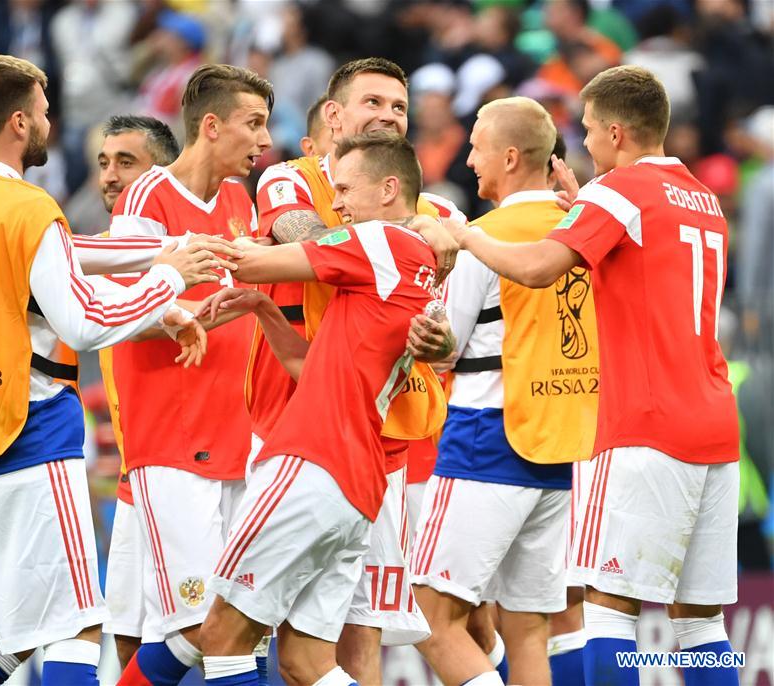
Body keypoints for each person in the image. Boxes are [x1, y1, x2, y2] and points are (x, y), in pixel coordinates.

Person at [0, 53, 229, 686]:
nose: (48, 123)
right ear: (16, 122)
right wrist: (170, 276)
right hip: (24, 443)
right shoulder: (31, 209)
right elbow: (84, 322)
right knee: (75, 629)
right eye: (41, 113)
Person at [437, 65, 740, 686]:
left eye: (593, 131)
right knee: (700, 623)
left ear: (618, 132)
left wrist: (465, 236)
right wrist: (588, 209)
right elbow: (645, 261)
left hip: (641, 427)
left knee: (608, 610)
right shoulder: (701, 197)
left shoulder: (619, 192)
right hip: (713, 425)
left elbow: (541, 267)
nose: (586, 144)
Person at [197, 131, 439, 686]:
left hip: (313, 461)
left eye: (347, 189)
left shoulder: (382, 240)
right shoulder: (407, 266)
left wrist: (178, 254)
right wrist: (263, 310)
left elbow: (257, 262)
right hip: (355, 484)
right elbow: (312, 370)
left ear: (389, 190)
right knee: (305, 662)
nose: (340, 202)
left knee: (221, 635)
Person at [253, 58, 459, 684]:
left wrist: (435, 332)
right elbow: (309, 238)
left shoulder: (434, 207)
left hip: (379, 440)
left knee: (359, 633)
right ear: (333, 115)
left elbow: (445, 340)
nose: (389, 116)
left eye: (399, 107)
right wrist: (408, 232)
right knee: (276, 634)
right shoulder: (290, 178)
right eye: (373, 103)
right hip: (286, 420)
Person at [411, 96, 598, 686]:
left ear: (511, 157)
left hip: (485, 440)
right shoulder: (587, 230)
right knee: (528, 628)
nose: (468, 160)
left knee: (428, 616)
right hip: (564, 445)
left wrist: (420, 337)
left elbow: (446, 345)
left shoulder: (481, 238)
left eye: (477, 147)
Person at [110, 64, 274, 686]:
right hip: (173, 440)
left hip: (237, 431)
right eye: (251, 124)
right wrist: (179, 312)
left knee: (233, 624)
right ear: (210, 125)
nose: (263, 140)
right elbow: (117, 305)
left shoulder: (239, 199)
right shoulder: (146, 197)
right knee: (202, 626)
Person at [89, 115, 182, 670]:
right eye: (103, 162)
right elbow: (21, 239)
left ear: (161, 177)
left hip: (197, 466)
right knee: (126, 632)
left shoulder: (196, 250)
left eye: (126, 162)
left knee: (213, 633)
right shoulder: (96, 250)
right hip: (134, 475)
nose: (109, 175)